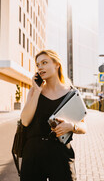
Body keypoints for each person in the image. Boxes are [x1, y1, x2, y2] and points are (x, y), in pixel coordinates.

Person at [20, 50, 87, 181]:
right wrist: (37, 91)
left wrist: (71, 126)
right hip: (33, 153)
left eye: (44, 62)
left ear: (57, 64)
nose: (40, 67)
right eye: (38, 64)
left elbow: (84, 127)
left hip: (60, 154)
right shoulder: (34, 91)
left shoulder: (72, 93)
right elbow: (25, 121)